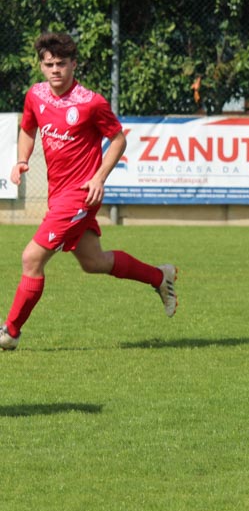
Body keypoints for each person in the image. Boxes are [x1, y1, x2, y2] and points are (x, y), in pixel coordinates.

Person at [0, 32, 178, 351]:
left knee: (31, 258)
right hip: (59, 196)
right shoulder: (35, 96)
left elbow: (118, 139)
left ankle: (10, 332)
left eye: (62, 63)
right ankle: (159, 277)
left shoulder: (90, 102)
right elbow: (28, 129)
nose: (55, 70)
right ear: (41, 66)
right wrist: (22, 160)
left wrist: (99, 178)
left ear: (74, 64)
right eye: (49, 64)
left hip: (81, 194)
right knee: (93, 262)